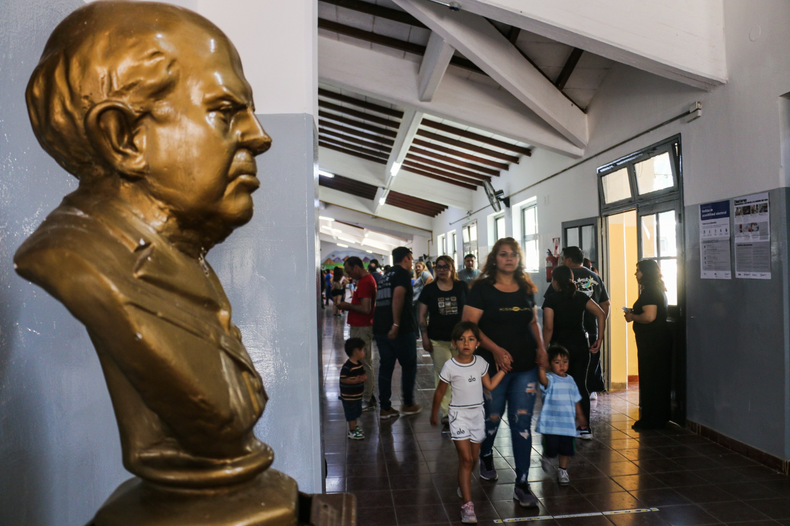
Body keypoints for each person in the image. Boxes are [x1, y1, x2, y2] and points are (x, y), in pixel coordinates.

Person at [14, 2, 299, 521]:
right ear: (123, 138)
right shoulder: (85, 266)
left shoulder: (186, 261)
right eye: (226, 111)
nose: (260, 136)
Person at [462, 237, 546, 509]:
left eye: (514, 254)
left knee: (522, 424)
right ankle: (486, 454)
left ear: (518, 259)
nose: (509, 258)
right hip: (491, 367)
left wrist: (542, 349)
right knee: (491, 419)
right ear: (495, 259)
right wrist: (496, 350)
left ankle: (522, 484)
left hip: (525, 367)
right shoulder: (481, 290)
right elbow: (468, 326)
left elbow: (533, 322)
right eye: (503, 254)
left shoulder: (526, 287)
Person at [430, 322, 505, 524]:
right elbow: (440, 391)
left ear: (477, 344)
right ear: (454, 343)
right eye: (462, 339)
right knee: (465, 460)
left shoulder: (480, 363)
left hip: (477, 415)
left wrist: (504, 371)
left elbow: (488, 385)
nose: (466, 343)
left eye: (471, 339)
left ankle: (462, 485)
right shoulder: (450, 366)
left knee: (472, 459)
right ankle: (468, 506)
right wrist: (434, 413)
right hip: (458, 416)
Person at [545, 247, 610, 425]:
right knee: (582, 386)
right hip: (584, 341)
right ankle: (584, 427)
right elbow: (604, 309)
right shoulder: (590, 284)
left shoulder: (552, 296)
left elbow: (548, 327)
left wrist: (543, 348)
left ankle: (562, 425)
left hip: (560, 346)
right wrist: (600, 336)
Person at [418, 255, 467, 430]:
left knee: (459, 375)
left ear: (452, 268)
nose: (441, 269)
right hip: (437, 339)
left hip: (460, 340)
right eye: (438, 266)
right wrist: (424, 336)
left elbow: (469, 311)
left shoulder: (462, 287)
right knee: (444, 374)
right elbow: (422, 314)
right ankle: (448, 413)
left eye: (445, 266)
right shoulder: (429, 289)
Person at [373, 247, 422, 419]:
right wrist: (396, 324)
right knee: (409, 366)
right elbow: (398, 297)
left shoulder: (385, 275)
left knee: (386, 366)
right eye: (412, 259)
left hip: (380, 328)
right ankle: (408, 404)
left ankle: (385, 407)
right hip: (400, 330)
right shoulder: (402, 273)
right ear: (407, 258)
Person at [625, 260, 673, 430]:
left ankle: (652, 419)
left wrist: (632, 317)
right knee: (656, 378)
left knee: (651, 378)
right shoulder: (656, 289)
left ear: (647, 272)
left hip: (652, 342)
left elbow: (649, 316)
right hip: (655, 341)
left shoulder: (651, 291)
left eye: (638, 271)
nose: (636, 274)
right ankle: (657, 416)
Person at [536, 345, 585, 486]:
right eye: (557, 362)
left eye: (565, 361)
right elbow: (543, 380)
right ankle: (547, 456)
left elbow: (576, 399)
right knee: (551, 449)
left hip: (567, 424)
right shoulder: (550, 379)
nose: (562, 365)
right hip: (551, 424)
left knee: (566, 450)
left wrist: (580, 415)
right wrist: (541, 368)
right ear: (550, 365)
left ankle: (563, 470)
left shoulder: (570, 380)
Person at [337, 257, 377, 411]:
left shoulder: (366, 282)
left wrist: (347, 305)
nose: (349, 274)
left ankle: (367, 398)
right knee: (360, 361)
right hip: (359, 326)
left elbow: (366, 309)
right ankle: (366, 395)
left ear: (356, 267)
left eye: (349, 271)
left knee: (364, 362)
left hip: (363, 326)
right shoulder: (365, 281)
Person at [340, 337, 368, 440]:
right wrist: (354, 381)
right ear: (356, 351)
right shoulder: (347, 367)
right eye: (363, 350)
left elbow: (363, 373)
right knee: (351, 413)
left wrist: (364, 377)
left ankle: (355, 427)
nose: (364, 353)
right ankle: (352, 431)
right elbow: (343, 379)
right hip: (349, 397)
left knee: (356, 411)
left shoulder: (359, 365)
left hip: (357, 396)